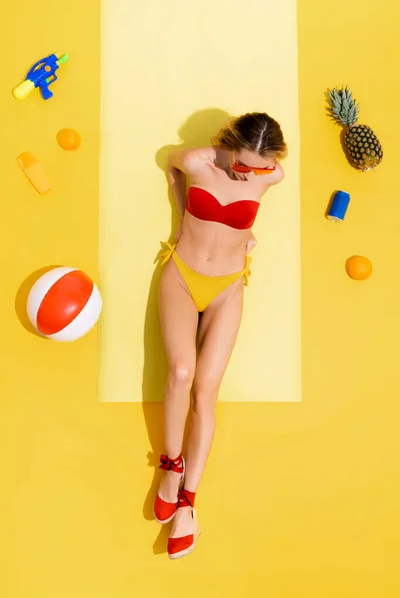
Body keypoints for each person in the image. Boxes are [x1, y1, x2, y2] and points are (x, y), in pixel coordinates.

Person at [153, 112, 287, 559]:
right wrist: (179, 218)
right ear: (229, 143)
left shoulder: (271, 176)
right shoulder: (195, 162)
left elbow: (257, 191)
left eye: (260, 168)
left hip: (228, 287)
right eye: (244, 164)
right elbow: (170, 166)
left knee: (206, 391)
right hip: (183, 275)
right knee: (181, 371)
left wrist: (247, 234)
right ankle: (171, 467)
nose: (249, 174)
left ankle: (189, 504)